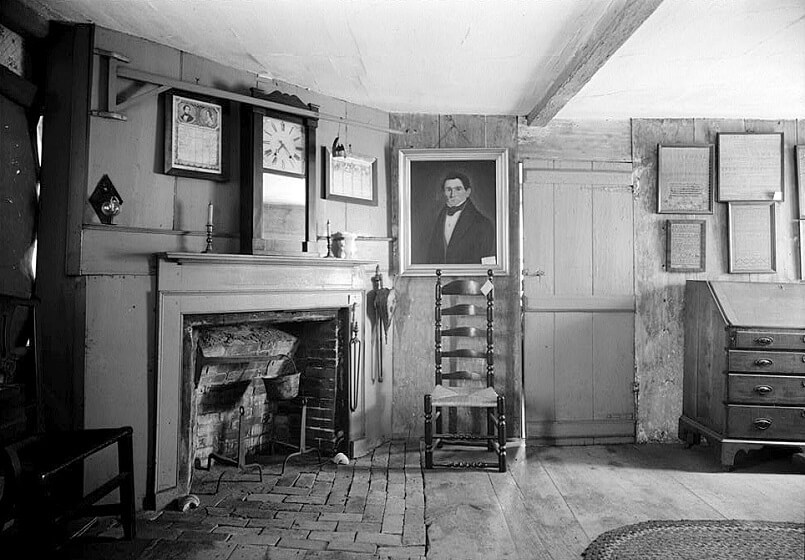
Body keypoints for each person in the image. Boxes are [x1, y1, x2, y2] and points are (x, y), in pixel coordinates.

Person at [426, 172, 495, 264]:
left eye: (458, 189)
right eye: (448, 189)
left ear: (467, 192)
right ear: (443, 192)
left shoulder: (483, 224)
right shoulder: (436, 219)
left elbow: (485, 263)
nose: (452, 194)